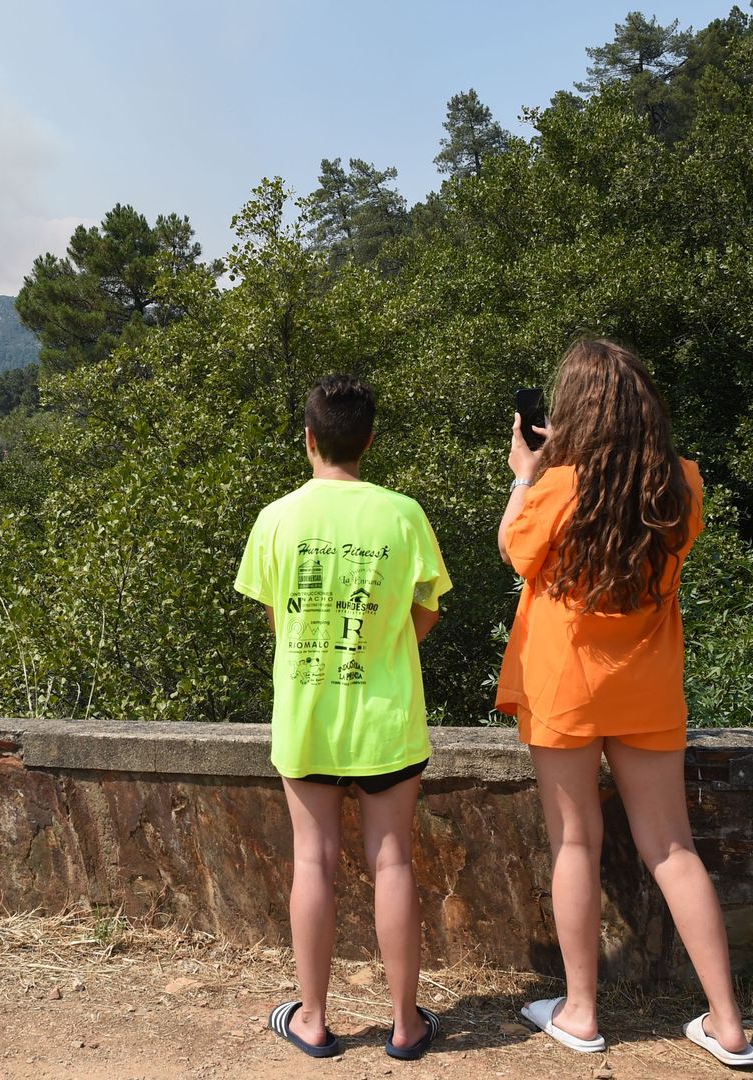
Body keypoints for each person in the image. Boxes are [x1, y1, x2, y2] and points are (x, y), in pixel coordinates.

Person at [496, 339, 753, 1068]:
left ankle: (580, 1013)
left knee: (575, 843)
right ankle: (727, 1023)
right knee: (673, 848)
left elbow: (514, 552)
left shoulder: (555, 486)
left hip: (564, 689)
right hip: (648, 688)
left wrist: (527, 474)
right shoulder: (682, 485)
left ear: (572, 412)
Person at [235, 374, 452, 1061]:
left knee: (313, 861)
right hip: (386, 717)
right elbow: (428, 608)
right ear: (370, 439)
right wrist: (382, 648)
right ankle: (406, 1026)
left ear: (308, 439)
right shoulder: (403, 514)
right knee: (392, 862)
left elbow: (275, 617)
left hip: (307, 717)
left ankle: (314, 1020)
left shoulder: (277, 517)